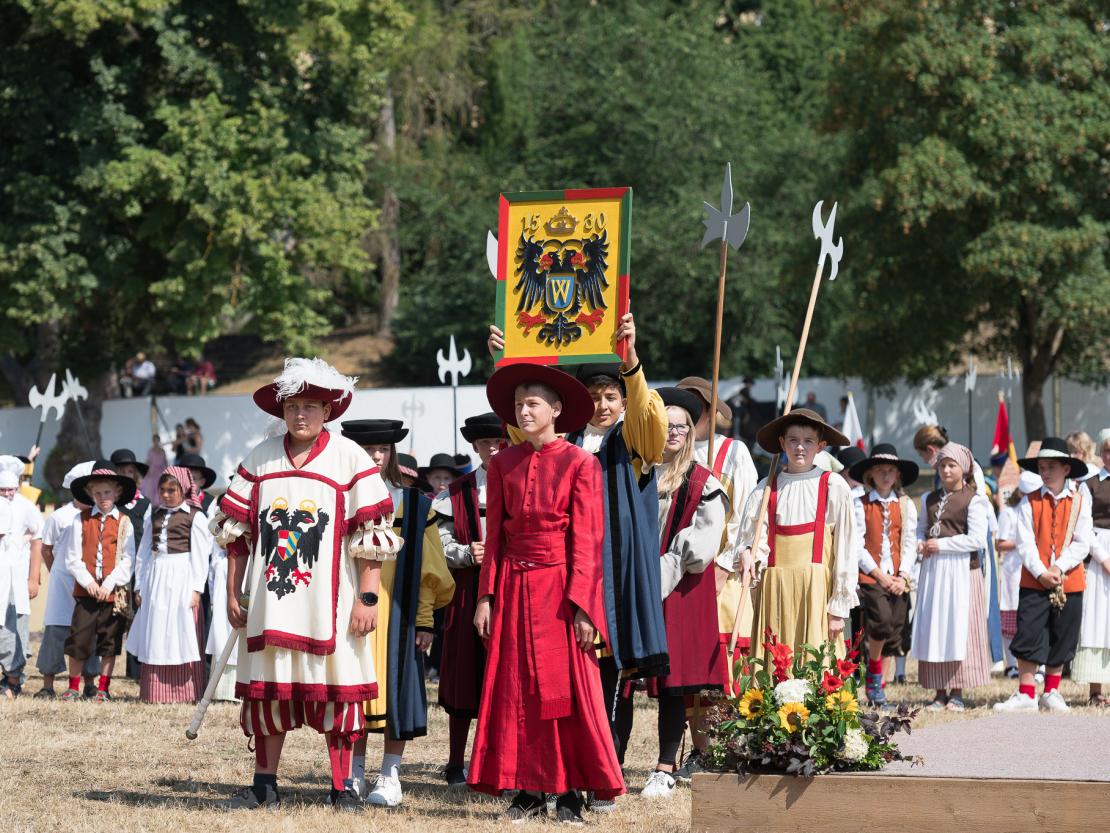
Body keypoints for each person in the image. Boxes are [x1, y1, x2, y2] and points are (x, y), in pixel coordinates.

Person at [489, 314, 671, 803]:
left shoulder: (632, 440)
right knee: (550, 680)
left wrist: (629, 358)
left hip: (614, 577)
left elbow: (650, 417)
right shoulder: (562, 443)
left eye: (612, 396)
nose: (603, 404)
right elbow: (521, 423)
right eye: (595, 396)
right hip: (560, 576)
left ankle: (596, 775)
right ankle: (549, 777)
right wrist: (505, 360)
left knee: (607, 683)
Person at [211, 358, 400, 811]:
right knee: (269, 693)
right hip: (269, 601)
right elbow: (236, 533)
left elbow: (369, 538)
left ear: (328, 410)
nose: (301, 415)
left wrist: (367, 596)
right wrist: (233, 591)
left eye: (311, 406)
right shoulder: (261, 456)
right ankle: (264, 784)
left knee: (335, 689)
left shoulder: (350, 457)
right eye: (293, 406)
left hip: (330, 601)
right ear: (282, 410)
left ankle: (341, 788)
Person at [469, 363, 624, 823]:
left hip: (560, 591)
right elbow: (494, 536)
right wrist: (486, 597)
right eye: (518, 404)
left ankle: (573, 791)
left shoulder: (582, 463)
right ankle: (531, 790)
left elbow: (588, 542)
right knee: (519, 691)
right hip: (514, 588)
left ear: (556, 409)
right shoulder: (502, 463)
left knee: (568, 690)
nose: (523, 410)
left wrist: (584, 608)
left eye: (532, 402)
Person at [339, 418, 455, 808]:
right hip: (347, 611)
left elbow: (430, 570)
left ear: (392, 454)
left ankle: (390, 773)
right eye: (367, 449)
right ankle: (352, 771)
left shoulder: (415, 505)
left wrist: (425, 620)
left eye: (382, 449)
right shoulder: (339, 501)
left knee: (398, 690)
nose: (374, 455)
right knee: (350, 691)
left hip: (399, 614)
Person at [639, 388, 728, 800]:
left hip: (680, 590)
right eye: (666, 425)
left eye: (681, 426)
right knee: (630, 681)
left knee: (675, 681)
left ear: (692, 431)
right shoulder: (641, 474)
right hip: (641, 587)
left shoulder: (703, 481)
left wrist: (658, 574)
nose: (673, 432)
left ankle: (665, 766)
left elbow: (701, 545)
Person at [674, 375, 757, 781]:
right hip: (684, 573)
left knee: (726, 661)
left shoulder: (733, 452)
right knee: (692, 667)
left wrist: (724, 565)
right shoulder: (669, 455)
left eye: (697, 407)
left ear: (709, 412)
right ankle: (702, 751)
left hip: (723, 574)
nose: (691, 416)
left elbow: (745, 515)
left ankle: (734, 746)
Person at [738, 410, 857, 661]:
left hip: (816, 591)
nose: (800, 447)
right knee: (777, 661)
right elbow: (751, 540)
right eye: (792, 440)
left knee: (813, 661)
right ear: (782, 443)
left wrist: (838, 609)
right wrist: (747, 553)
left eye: (808, 441)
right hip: (775, 590)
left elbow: (846, 549)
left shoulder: (833, 486)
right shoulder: (766, 488)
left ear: (821, 446)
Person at [431, 412, 508, 789]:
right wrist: (465, 552)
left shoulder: (523, 480)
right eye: (485, 444)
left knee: (508, 678)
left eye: (499, 442)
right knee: (463, 676)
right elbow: (439, 543)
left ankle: (502, 762)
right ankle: (454, 762)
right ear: (474, 447)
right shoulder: (456, 492)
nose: (493, 449)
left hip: (513, 591)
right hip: (465, 594)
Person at [994, 438, 1092, 712]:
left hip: (1067, 580)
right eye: (1041, 467)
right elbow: (1023, 541)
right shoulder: (1029, 501)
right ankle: (1026, 693)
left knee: (1062, 633)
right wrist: (1040, 571)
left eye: (1050, 467)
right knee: (1030, 631)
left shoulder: (1079, 502)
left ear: (1066, 469)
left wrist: (1058, 568)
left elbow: (1082, 541)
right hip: (1034, 580)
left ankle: (1051, 691)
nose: (1044, 472)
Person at [912, 443, 993, 711]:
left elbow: (978, 540)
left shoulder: (975, 500)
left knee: (959, 630)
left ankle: (957, 691)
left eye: (951, 465)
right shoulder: (928, 499)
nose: (946, 470)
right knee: (935, 627)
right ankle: (938, 691)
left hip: (962, 571)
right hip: (934, 570)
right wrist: (920, 544)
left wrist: (942, 545)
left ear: (964, 469)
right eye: (942, 465)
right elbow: (920, 529)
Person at [127, 467, 213, 703]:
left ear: (183, 489)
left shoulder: (195, 516)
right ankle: (155, 692)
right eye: (162, 490)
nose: (166, 495)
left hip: (182, 575)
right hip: (157, 574)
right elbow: (144, 552)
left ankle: (184, 691)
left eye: (171, 490)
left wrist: (196, 589)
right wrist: (140, 586)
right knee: (156, 629)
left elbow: (200, 555)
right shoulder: (154, 515)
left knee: (180, 629)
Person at [847, 444, 920, 706]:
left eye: (891, 471)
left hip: (898, 575)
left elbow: (910, 542)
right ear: (871, 475)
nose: (886, 475)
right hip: (872, 575)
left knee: (894, 630)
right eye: (881, 471)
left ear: (898, 475)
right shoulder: (861, 504)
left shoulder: (906, 505)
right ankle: (874, 679)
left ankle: (880, 688)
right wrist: (879, 575)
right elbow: (857, 545)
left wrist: (902, 575)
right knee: (881, 620)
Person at [61, 463, 137, 702]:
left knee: (109, 640)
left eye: (107, 493)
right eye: (98, 493)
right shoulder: (80, 520)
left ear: (116, 493)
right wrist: (90, 584)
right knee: (79, 638)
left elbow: (128, 559)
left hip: (112, 593)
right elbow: (72, 558)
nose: (103, 498)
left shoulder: (124, 522)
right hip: (86, 592)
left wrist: (108, 585)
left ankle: (103, 688)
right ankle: (74, 686)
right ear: (91, 494)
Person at [33, 462, 101, 698]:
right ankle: (48, 683)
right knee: (55, 631)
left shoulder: (97, 516)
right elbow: (46, 550)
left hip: (89, 583)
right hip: (61, 584)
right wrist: (57, 573)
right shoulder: (59, 516)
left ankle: (90, 682)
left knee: (88, 631)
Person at [0, 455, 45, 699]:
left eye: (10, 489)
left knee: (13, 626)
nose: (7, 494)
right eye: (2, 489)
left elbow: (38, 538)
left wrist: (33, 576)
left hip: (15, 575)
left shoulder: (25, 506)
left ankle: (13, 678)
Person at [1074, 434, 1110, 706]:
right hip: (1099, 556)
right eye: (1108, 451)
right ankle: (1096, 690)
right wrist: (1104, 558)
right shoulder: (1090, 485)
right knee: (1098, 620)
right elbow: (1084, 527)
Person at [997, 472, 1043, 677]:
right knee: (1010, 619)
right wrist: (1023, 541)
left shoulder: (1041, 508)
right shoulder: (1009, 512)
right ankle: (1012, 664)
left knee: (1035, 618)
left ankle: (1039, 664)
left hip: (1037, 569)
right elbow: (1000, 543)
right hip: (1013, 571)